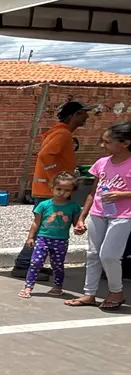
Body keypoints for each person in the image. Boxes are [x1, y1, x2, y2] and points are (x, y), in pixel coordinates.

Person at [13, 100, 94, 278]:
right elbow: (44, 155)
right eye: (83, 114)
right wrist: (56, 181)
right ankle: (24, 264)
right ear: (74, 115)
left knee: (48, 227)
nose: (87, 118)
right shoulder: (63, 134)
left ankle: (32, 263)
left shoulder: (58, 132)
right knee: (46, 228)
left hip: (49, 189)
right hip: (50, 191)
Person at [66, 121, 131, 312]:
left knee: (109, 255)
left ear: (125, 143)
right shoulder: (101, 163)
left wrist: (122, 195)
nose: (103, 146)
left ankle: (116, 291)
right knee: (93, 254)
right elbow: (93, 193)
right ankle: (89, 293)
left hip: (123, 215)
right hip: (98, 213)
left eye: (107, 142)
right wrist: (81, 217)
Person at [19, 172, 81, 299]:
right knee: (35, 262)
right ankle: (28, 287)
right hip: (43, 238)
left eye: (67, 190)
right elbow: (36, 222)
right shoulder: (44, 205)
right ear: (52, 188)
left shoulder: (74, 207)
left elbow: (76, 223)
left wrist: (79, 228)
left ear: (72, 192)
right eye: (58, 189)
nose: (61, 193)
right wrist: (30, 237)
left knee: (58, 265)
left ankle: (58, 286)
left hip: (61, 241)